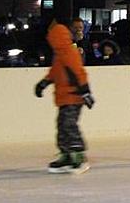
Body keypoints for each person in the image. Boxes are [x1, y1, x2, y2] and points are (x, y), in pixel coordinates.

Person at [34, 16, 95, 174]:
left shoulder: (70, 52)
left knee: (69, 125)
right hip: (63, 97)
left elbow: (78, 72)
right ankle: (66, 155)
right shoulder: (60, 55)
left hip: (74, 96)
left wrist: (86, 91)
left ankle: (79, 156)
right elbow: (54, 72)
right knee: (61, 126)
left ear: (56, 38)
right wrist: (43, 84)